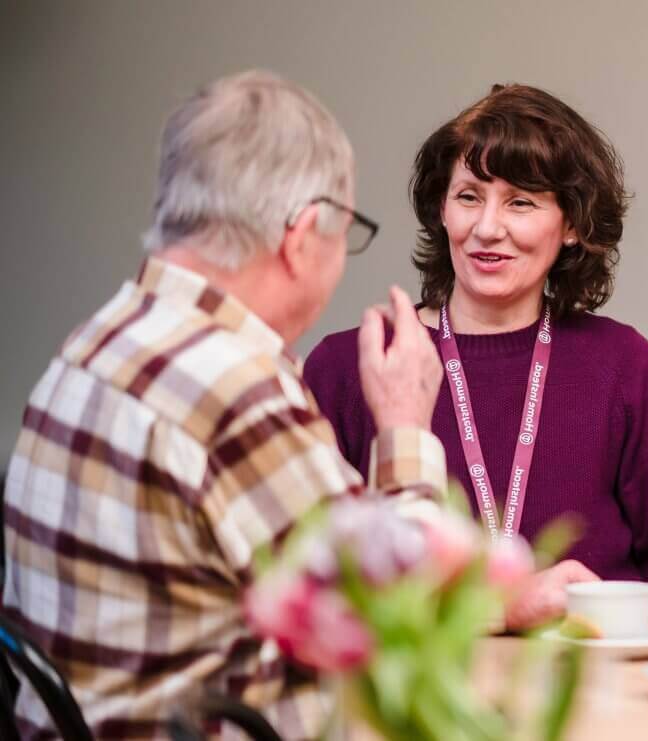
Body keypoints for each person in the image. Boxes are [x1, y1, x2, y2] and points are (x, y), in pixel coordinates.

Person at [1, 70, 448, 739]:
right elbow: (403, 622)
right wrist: (406, 425)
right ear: (300, 239)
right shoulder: (232, 388)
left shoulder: (95, 340)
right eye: (344, 232)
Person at [304, 84, 648, 622]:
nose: (487, 227)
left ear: (574, 226)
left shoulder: (620, 363)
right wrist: (507, 605)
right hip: (414, 700)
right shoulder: (354, 365)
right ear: (441, 209)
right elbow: (306, 590)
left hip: (604, 692)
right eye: (468, 196)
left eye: (521, 202)